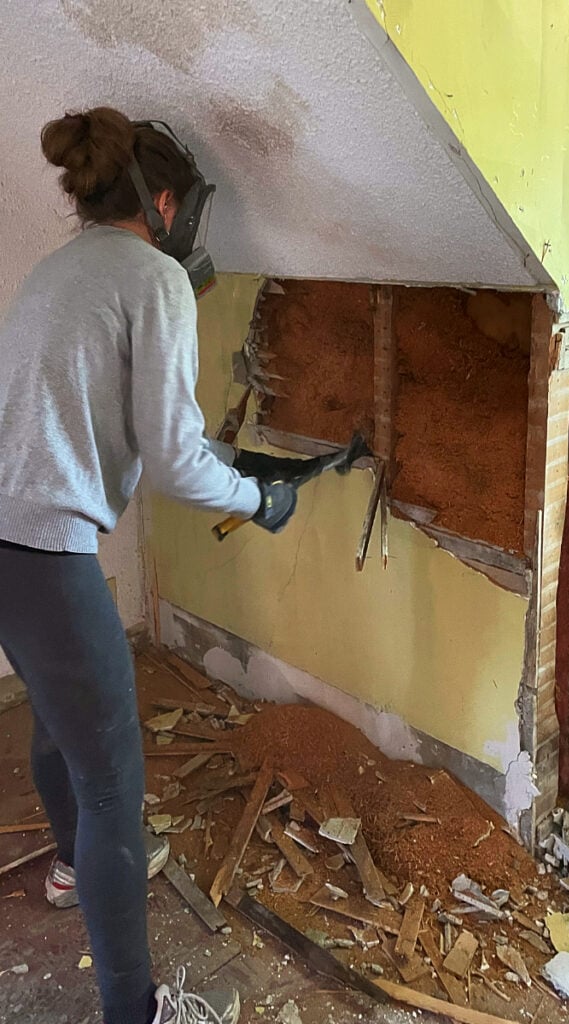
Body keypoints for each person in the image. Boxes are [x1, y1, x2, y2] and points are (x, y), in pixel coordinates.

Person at [0, 107, 298, 1024]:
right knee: (112, 786)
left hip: (7, 541)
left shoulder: (58, 269)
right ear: (165, 203)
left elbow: (127, 417)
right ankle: (137, 1011)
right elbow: (171, 463)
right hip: (41, 555)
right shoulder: (155, 277)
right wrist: (257, 499)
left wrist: (223, 457)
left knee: (59, 723)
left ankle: (68, 868)